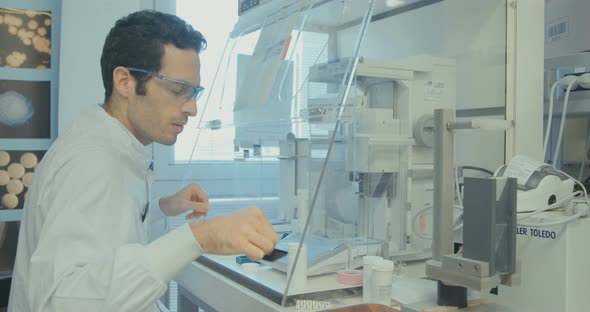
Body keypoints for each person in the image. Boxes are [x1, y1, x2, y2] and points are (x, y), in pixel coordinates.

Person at [8, 10, 279, 312]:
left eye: (194, 93)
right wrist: (201, 236)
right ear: (124, 81)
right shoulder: (91, 162)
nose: (191, 108)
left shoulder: (110, 145)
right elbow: (62, 301)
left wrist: (161, 208)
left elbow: (103, 239)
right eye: (178, 90)